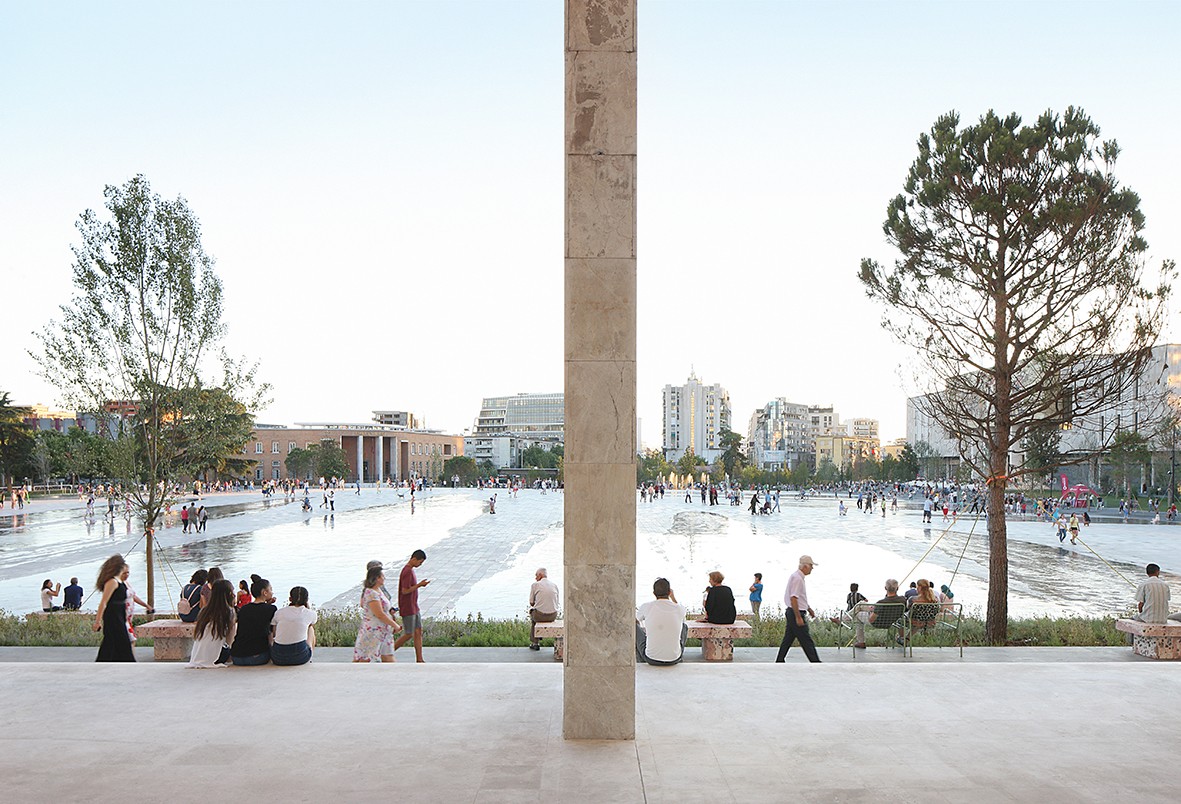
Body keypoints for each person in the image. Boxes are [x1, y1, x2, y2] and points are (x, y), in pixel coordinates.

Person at [775, 555, 821, 663]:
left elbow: (799, 598)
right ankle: (816, 662)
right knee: (806, 640)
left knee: (788, 639)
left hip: (794, 611)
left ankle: (779, 660)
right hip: (795, 612)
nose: (812, 568)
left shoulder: (797, 577)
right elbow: (794, 598)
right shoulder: (798, 578)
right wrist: (798, 617)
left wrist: (809, 609)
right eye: (810, 565)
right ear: (805, 566)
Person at [354, 563, 401, 663]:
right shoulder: (371, 593)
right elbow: (379, 614)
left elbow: (383, 609)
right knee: (366, 658)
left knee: (388, 656)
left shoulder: (379, 590)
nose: (384, 578)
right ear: (377, 578)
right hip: (373, 631)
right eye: (382, 576)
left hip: (384, 631)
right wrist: (395, 625)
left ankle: (396, 675)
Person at [636, 578, 688, 665]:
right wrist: (673, 597)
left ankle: (641, 661)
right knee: (684, 626)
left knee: (635, 628)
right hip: (674, 659)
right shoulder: (679, 608)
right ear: (669, 592)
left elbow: (637, 619)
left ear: (654, 593)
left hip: (651, 659)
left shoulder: (646, 606)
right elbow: (682, 616)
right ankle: (675, 654)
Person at [93, 554, 135, 662]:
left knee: (116, 639)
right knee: (115, 638)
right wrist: (97, 621)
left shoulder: (121, 581)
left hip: (120, 613)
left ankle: (111, 660)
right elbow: (103, 602)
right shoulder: (112, 582)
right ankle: (123, 661)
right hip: (112, 614)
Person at [230, 574, 277, 666]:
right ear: (265, 592)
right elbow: (272, 632)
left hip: (237, 657)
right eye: (271, 589)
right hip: (257, 657)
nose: (272, 592)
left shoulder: (244, 609)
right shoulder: (271, 609)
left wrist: (268, 604)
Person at [188, 579, 236, 668]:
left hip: (197, 655)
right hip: (217, 656)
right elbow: (230, 640)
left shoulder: (204, 611)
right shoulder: (229, 612)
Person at [393, 549, 430, 662]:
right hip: (408, 607)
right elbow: (405, 591)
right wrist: (419, 585)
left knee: (418, 631)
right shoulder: (407, 571)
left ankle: (420, 659)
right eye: (420, 562)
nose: (420, 565)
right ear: (414, 559)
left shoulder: (411, 570)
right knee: (409, 633)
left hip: (414, 606)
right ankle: (387, 652)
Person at [271, 586, 318, 666]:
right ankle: (310, 657)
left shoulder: (279, 612)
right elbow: (309, 625)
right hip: (300, 657)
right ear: (307, 599)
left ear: (290, 599)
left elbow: (274, 633)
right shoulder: (310, 614)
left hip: (277, 657)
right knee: (310, 628)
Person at [527, 567, 560, 651]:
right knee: (536, 613)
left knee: (533, 615)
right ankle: (538, 637)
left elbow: (531, 602)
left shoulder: (535, 585)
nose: (535, 578)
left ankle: (535, 643)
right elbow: (556, 602)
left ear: (540, 575)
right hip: (553, 615)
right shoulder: (554, 585)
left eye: (536, 576)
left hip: (540, 616)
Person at [869, 578, 908, 644]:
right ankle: (901, 638)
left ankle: (861, 641)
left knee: (859, 611)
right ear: (897, 588)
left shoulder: (881, 603)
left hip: (878, 623)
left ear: (885, 588)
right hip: (892, 621)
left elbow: (871, 620)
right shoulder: (903, 600)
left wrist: (871, 612)